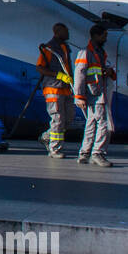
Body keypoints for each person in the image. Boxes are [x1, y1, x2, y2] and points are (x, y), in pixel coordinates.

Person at [74, 23, 117, 167]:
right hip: (95, 94)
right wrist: (78, 96)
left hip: (96, 92)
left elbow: (94, 72)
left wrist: (107, 71)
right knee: (103, 123)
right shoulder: (86, 53)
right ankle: (98, 153)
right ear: (96, 36)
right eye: (104, 35)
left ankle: (84, 153)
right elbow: (79, 74)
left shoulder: (99, 52)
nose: (105, 38)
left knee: (91, 123)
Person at [36, 23, 75, 158]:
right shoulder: (49, 48)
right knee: (57, 119)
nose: (68, 33)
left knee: (68, 119)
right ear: (57, 32)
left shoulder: (65, 47)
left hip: (65, 88)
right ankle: (55, 149)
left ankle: (47, 136)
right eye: (66, 31)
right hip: (53, 88)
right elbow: (40, 68)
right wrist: (57, 75)